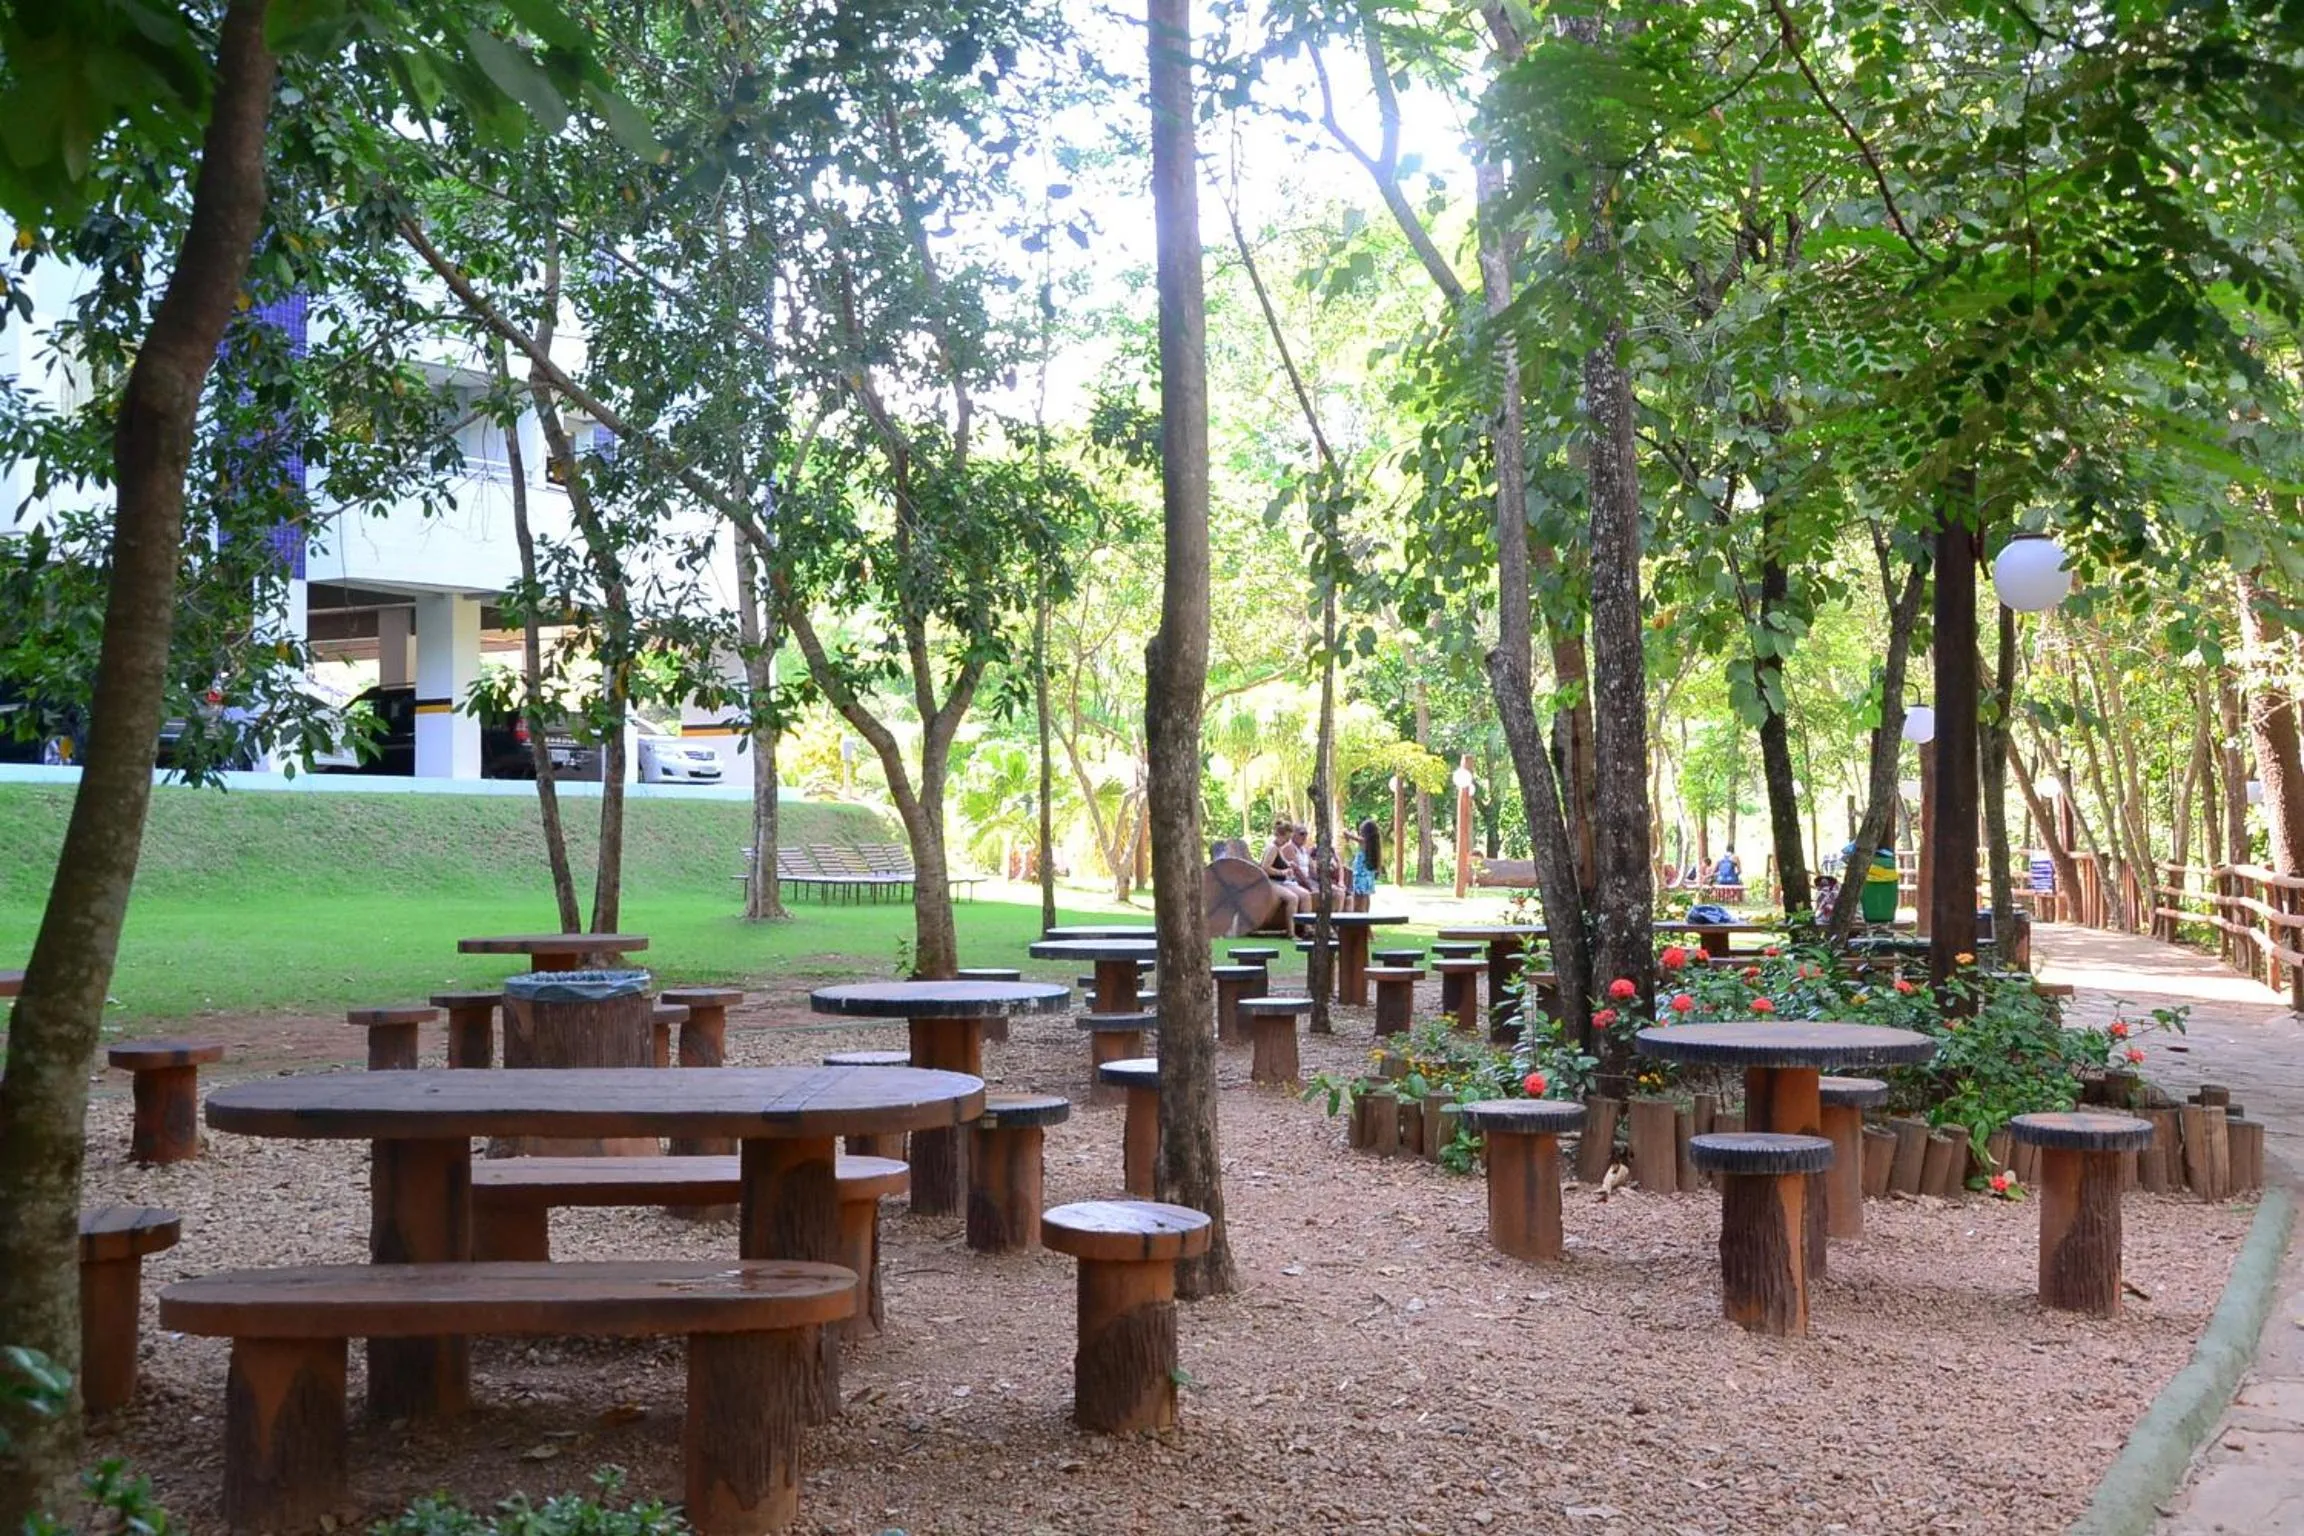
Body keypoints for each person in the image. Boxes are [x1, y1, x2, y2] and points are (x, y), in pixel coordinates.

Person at [1261, 818, 1310, 918]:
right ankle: (1291, 931)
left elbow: (1282, 862)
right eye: (1286, 839)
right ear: (1279, 835)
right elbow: (1265, 868)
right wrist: (1283, 872)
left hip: (1283, 882)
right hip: (1272, 882)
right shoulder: (1272, 848)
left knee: (1305, 895)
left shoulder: (1278, 848)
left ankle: (1308, 928)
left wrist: (1289, 864)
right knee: (1293, 898)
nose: (1286, 843)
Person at [1350, 818, 1382, 912]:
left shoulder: (1365, 842)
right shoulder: (1373, 846)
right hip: (1368, 875)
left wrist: (1346, 832)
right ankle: (1365, 918)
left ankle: (1359, 920)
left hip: (1361, 875)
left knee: (1359, 900)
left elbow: (1353, 837)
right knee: (1366, 897)